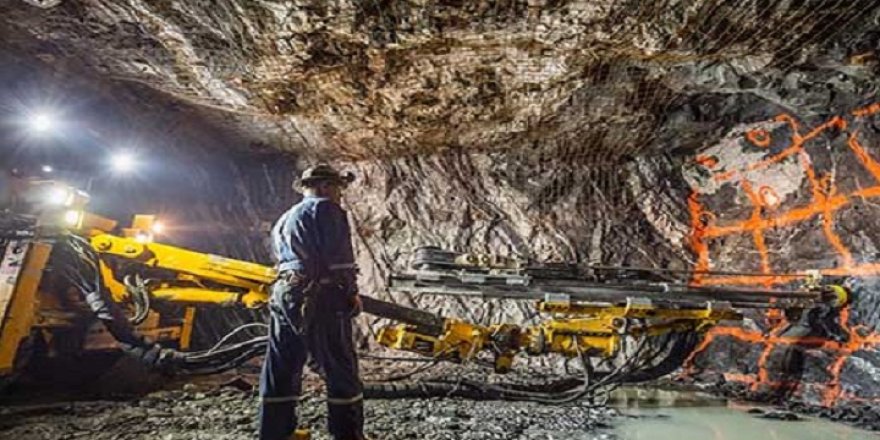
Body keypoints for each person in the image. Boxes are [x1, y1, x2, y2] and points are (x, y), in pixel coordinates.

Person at [260, 164, 365, 440]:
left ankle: (276, 433)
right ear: (325, 186)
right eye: (338, 189)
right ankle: (348, 434)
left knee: (282, 362)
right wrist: (350, 291)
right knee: (340, 363)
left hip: (285, 292)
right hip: (320, 294)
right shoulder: (327, 210)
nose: (339, 196)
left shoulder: (285, 218)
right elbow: (339, 258)